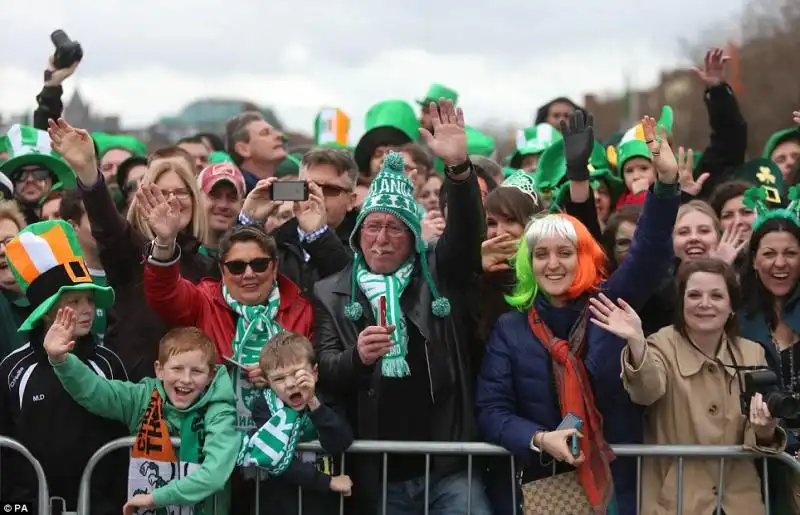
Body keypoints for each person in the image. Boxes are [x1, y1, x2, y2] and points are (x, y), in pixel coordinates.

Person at [475, 113, 681, 515]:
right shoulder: (511, 328)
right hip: (545, 486)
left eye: (565, 253)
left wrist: (667, 185)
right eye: (541, 254)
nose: (553, 264)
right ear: (527, 264)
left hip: (619, 485)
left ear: (582, 258)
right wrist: (537, 438)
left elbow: (650, 251)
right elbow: (491, 410)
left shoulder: (608, 305)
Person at [314, 100, 491, 514]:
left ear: (413, 237)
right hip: (378, 474)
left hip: (448, 467)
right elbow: (324, 366)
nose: (381, 238)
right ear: (357, 236)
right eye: (372, 226)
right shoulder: (331, 291)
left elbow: (467, 235)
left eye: (394, 228)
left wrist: (460, 170)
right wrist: (357, 358)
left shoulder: (437, 272)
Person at [594, 258, 785, 515]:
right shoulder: (660, 343)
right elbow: (645, 392)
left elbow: (758, 432)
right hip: (676, 501)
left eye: (716, 295)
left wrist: (765, 431)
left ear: (731, 306)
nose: (704, 304)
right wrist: (637, 343)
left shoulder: (752, 353)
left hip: (740, 502)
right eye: (694, 295)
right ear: (681, 303)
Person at [48, 118, 217, 381]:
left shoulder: (208, 266)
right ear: (143, 200)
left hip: (196, 397)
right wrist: (88, 172)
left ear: (194, 199)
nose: (171, 199)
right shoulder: (130, 250)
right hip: (135, 393)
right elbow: (106, 224)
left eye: (181, 192)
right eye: (160, 192)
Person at [0, 220, 128, 514]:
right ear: (46, 313)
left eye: (88, 299)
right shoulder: (12, 369)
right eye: (74, 300)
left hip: (99, 507)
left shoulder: (107, 362)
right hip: (29, 506)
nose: (86, 309)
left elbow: (121, 445)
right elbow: (5, 451)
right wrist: (12, 507)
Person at [47, 324, 239, 514]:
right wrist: (61, 360)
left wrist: (155, 499)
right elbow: (97, 391)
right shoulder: (142, 397)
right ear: (159, 370)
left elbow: (215, 474)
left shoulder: (220, 411)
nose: (186, 379)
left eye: (196, 371)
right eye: (177, 369)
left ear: (210, 375)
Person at [239, 332, 354, 515]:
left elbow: (341, 442)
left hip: (323, 506)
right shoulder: (264, 406)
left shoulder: (328, 397)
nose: (290, 384)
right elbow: (275, 457)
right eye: (279, 379)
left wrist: (314, 403)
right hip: (278, 504)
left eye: (297, 374)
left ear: (314, 372)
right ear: (268, 382)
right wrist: (328, 482)